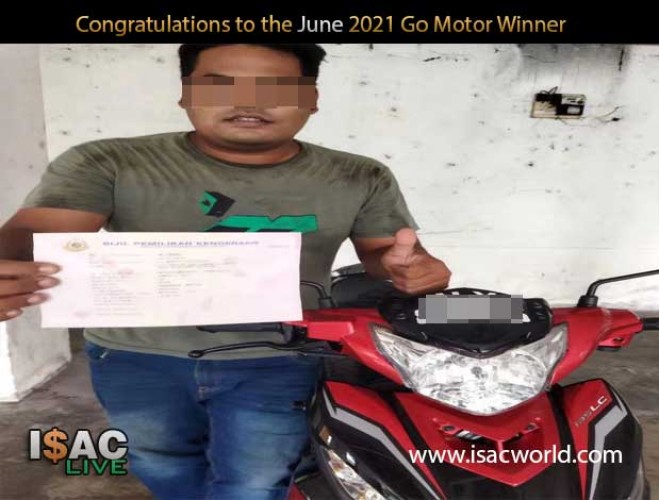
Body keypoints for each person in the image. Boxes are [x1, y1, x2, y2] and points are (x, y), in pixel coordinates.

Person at [0, 44, 451, 499]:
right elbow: (34, 233)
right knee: (160, 461)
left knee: (256, 481)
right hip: (134, 356)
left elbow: (387, 253)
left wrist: (414, 270)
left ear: (311, 98)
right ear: (185, 93)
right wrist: (8, 262)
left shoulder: (359, 175)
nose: (248, 102)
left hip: (280, 356)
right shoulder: (108, 162)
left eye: (276, 88)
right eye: (220, 86)